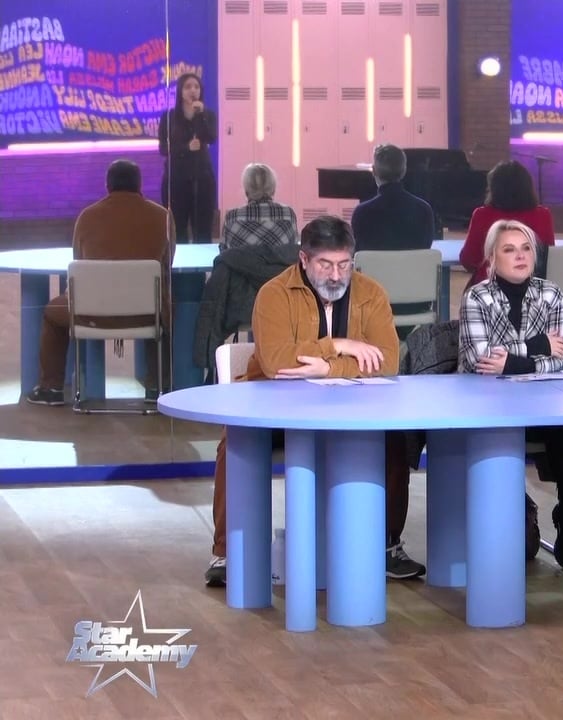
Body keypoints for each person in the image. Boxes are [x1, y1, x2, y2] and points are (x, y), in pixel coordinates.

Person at [203, 216, 424, 587]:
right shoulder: (274, 293)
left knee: (394, 438)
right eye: (325, 264)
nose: (336, 275)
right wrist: (338, 345)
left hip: (349, 410)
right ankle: (227, 552)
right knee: (235, 442)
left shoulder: (370, 293)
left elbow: (387, 361)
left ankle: (386, 545)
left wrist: (328, 368)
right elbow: (276, 362)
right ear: (304, 260)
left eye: (344, 264)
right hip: (275, 410)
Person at [457, 219, 563, 570]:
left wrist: (511, 362)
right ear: (492, 258)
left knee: (561, 423)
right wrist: (537, 345)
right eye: (509, 250)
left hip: (538, 400)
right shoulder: (477, 296)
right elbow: (480, 360)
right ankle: (517, 510)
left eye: (526, 249)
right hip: (486, 403)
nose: (520, 256)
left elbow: (559, 359)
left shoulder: (550, 293)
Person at [26, 160, 173, 407]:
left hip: (90, 314)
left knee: (52, 312)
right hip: (148, 315)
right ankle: (157, 387)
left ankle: (51, 388)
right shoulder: (163, 217)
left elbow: (78, 263)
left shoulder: (87, 217)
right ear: (140, 185)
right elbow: (167, 265)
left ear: (107, 185)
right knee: (166, 307)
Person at [459, 160, 556, 288]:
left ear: (494, 188)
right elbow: (548, 259)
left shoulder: (482, 215)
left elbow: (468, 260)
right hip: (531, 290)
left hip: (489, 290)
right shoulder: (543, 215)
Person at [159, 72, 217, 243]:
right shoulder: (169, 117)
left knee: (203, 229)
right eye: (188, 87)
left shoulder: (208, 115)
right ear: (180, 91)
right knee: (178, 230)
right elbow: (163, 149)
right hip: (176, 179)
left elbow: (211, 137)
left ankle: (202, 260)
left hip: (202, 178)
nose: (193, 91)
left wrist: (200, 115)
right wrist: (186, 148)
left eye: (196, 87)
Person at [350, 144, 436, 252]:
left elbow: (357, 251)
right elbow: (425, 248)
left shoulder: (361, 212)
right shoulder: (424, 210)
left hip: (375, 264)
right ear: (404, 171)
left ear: (374, 171)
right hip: (410, 264)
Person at [220, 163, 299, 251]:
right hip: (278, 261)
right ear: (273, 189)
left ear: (246, 191)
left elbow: (223, 252)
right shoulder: (288, 214)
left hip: (242, 260)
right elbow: (293, 251)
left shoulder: (232, 217)